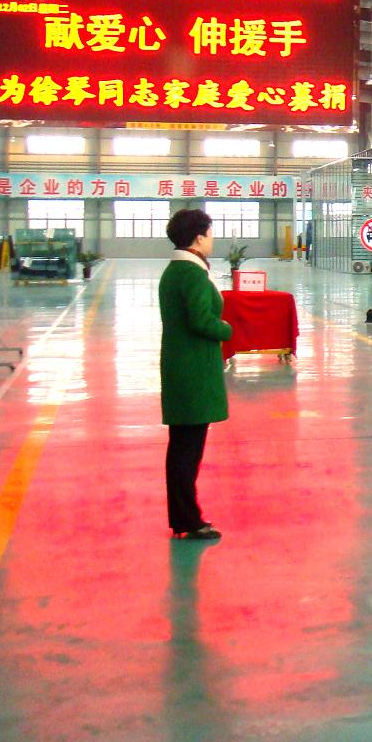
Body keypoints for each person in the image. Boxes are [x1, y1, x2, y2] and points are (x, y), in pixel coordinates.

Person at [160, 209, 234, 541]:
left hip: (182, 366)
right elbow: (201, 321)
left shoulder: (177, 270)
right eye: (210, 233)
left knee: (182, 449)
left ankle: (184, 517)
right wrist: (227, 329)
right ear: (199, 237)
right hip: (193, 370)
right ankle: (189, 519)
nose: (212, 239)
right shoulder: (191, 274)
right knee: (187, 452)